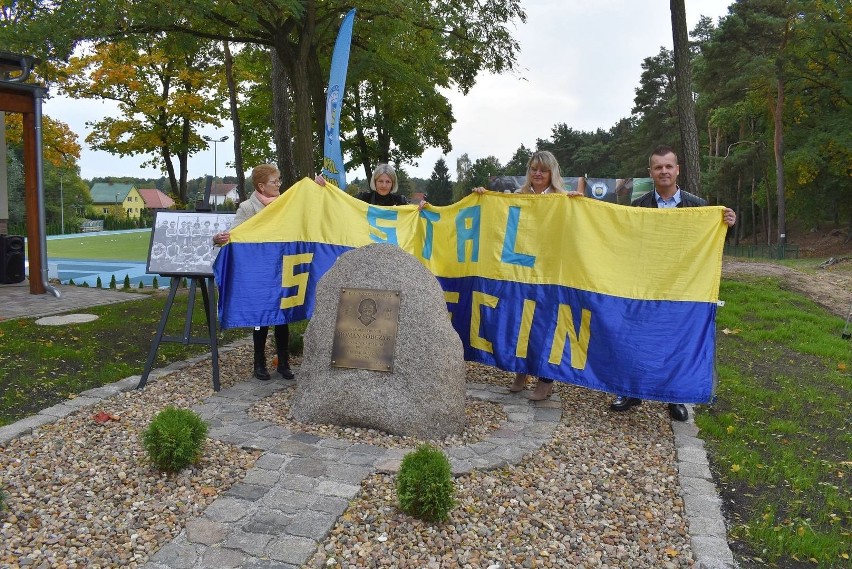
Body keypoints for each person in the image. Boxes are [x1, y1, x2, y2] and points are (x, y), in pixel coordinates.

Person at [609, 144, 736, 421]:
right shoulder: (639, 206)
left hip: (682, 287)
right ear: (651, 172)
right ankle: (631, 391)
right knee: (638, 338)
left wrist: (727, 224)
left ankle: (674, 396)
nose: (664, 171)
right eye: (658, 167)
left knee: (677, 339)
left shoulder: (699, 207)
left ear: (677, 170)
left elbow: (713, 246)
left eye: (669, 166)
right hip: (645, 285)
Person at [473, 150, 583, 401]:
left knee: (545, 323)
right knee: (521, 322)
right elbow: (499, 219)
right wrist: (483, 198)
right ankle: (521, 371)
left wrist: (577, 203)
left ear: (551, 173)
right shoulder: (519, 197)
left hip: (549, 272)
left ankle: (545, 379)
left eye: (543, 170)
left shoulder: (562, 199)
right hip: (520, 271)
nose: (537, 173)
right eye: (534, 168)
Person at [213, 164, 295, 381]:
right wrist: (218, 239)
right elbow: (234, 234)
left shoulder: (285, 204)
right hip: (260, 273)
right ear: (261, 185)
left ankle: (284, 362)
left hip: (281, 268)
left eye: (279, 180)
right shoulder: (247, 208)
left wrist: (317, 188)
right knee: (261, 318)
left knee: (282, 318)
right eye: (274, 181)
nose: (278, 184)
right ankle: (259, 363)